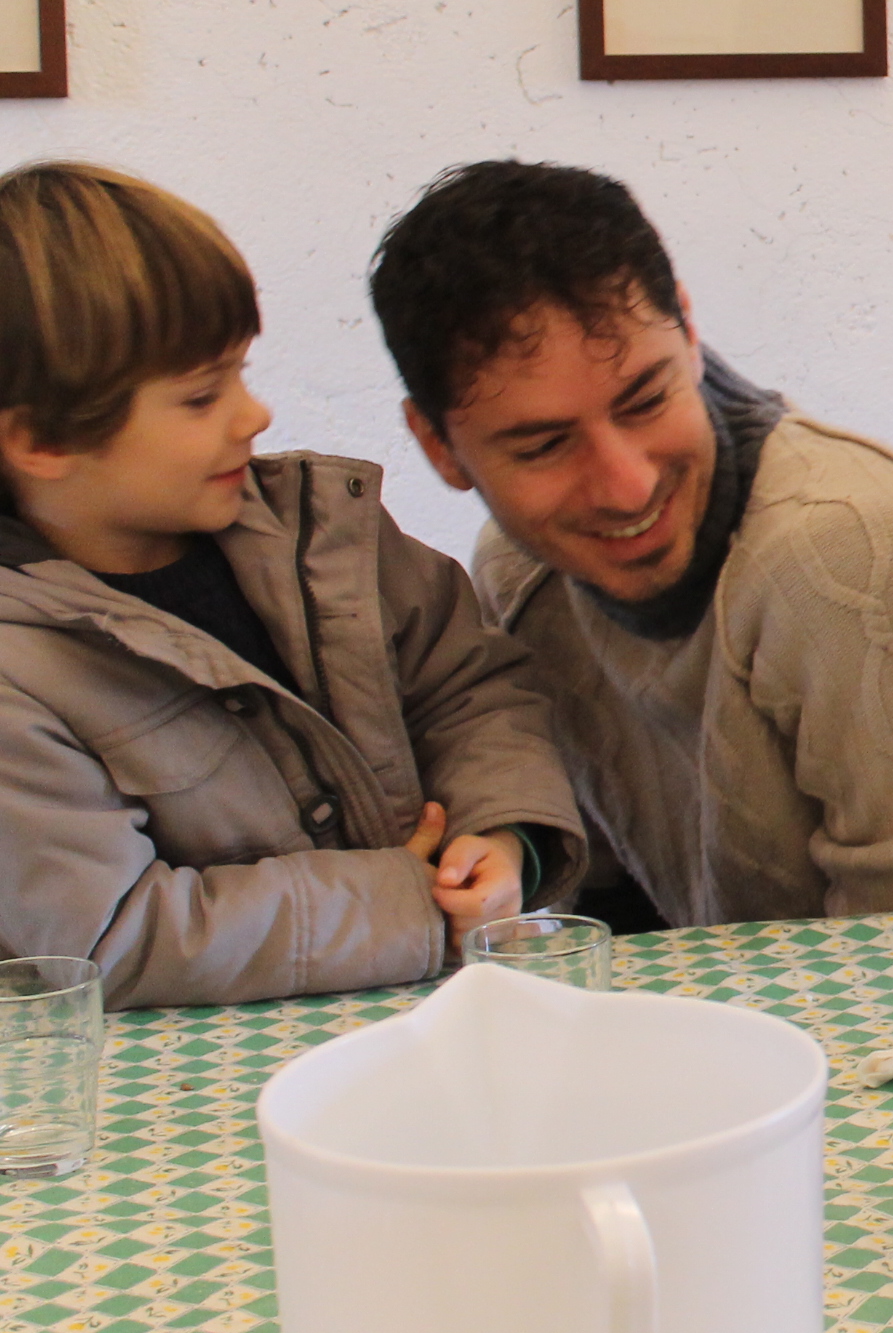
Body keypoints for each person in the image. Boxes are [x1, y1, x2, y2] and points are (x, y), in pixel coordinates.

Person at [369, 162, 893, 931]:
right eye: (545, 446)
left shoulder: (847, 559)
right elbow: (616, 914)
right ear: (438, 447)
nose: (625, 486)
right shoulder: (522, 574)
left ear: (689, 331)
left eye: (647, 400)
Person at [0, 162, 584, 1007]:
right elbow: (115, 937)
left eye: (241, 373)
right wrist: (402, 904)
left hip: (437, 1024)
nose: (254, 414)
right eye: (202, 397)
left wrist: (502, 834)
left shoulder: (323, 535)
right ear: (42, 443)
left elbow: (473, 691)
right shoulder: (16, 673)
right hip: (195, 1080)